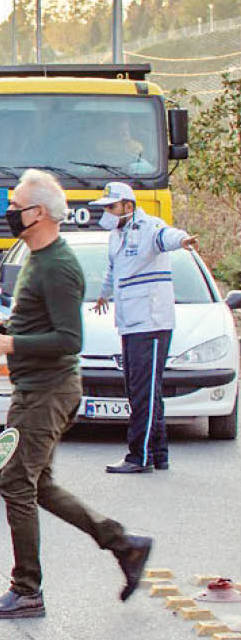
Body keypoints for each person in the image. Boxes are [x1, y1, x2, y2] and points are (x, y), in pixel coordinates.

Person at [0, 169, 153, 619]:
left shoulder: (59, 266)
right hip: (33, 386)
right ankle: (122, 543)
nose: (10, 213)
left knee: (14, 481)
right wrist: (6, 328)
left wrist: (9, 343)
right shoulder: (35, 257)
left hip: (49, 390)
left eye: (17, 206)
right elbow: (41, 323)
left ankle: (26, 589)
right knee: (38, 483)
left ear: (40, 214)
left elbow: (70, 339)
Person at [89, 181, 197, 474]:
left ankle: (140, 456)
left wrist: (184, 240)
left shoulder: (149, 227)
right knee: (143, 389)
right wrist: (103, 293)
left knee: (143, 392)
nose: (108, 213)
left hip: (151, 321)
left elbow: (167, 237)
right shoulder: (116, 235)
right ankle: (159, 453)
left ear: (128, 205)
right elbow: (113, 269)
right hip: (129, 321)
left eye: (112, 207)